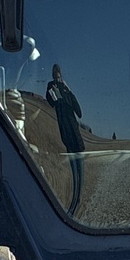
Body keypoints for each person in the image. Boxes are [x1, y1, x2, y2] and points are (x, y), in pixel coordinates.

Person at [46, 64, 87, 209]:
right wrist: (54, 91)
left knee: (79, 161)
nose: (57, 76)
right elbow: (52, 102)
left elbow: (79, 112)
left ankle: (79, 195)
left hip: (74, 131)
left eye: (58, 74)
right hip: (66, 132)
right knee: (73, 162)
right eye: (55, 73)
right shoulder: (51, 87)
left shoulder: (67, 91)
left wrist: (69, 92)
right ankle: (75, 196)